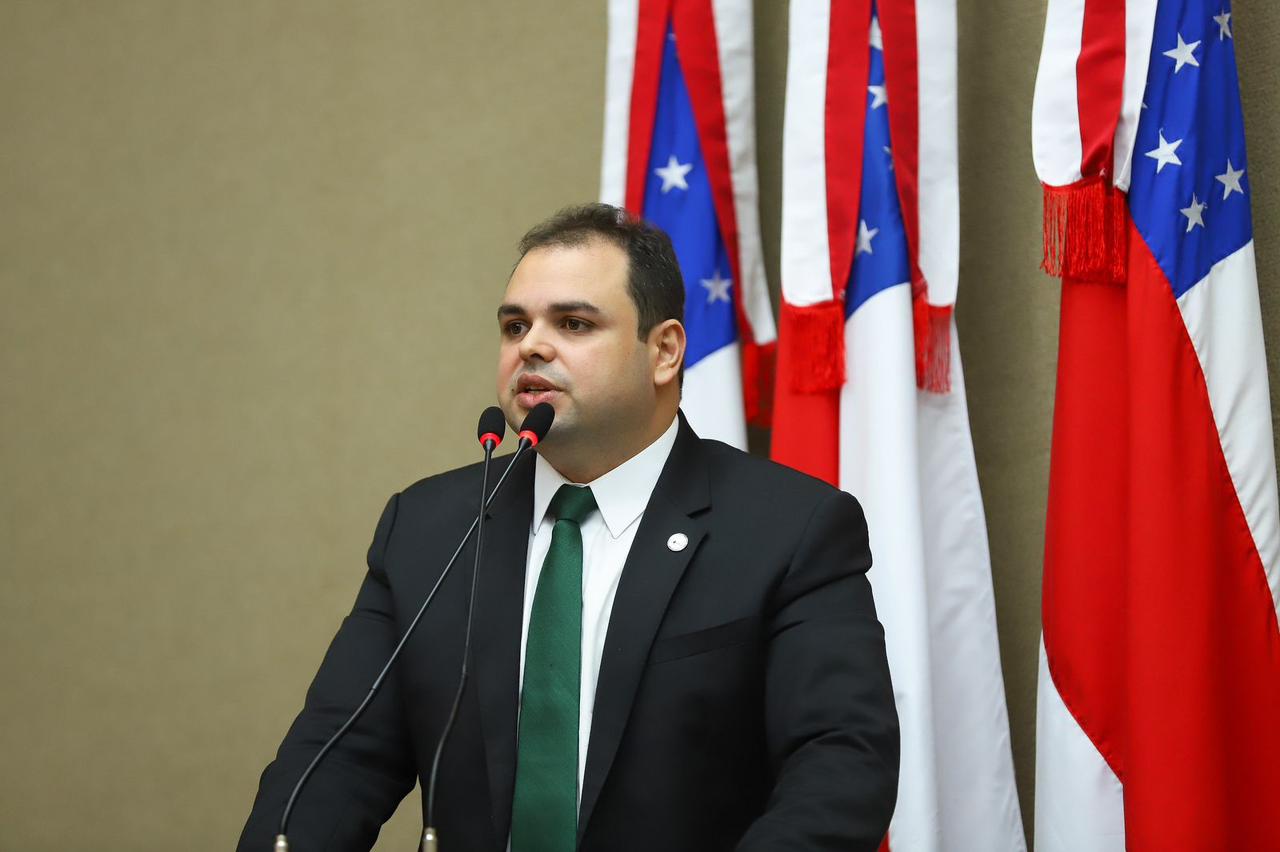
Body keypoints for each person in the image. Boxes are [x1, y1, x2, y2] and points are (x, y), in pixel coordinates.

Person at [238, 204, 899, 851]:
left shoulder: (789, 529)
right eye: (514, 325)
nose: (531, 345)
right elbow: (338, 759)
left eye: (574, 323)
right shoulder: (428, 529)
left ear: (664, 351)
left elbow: (840, 766)